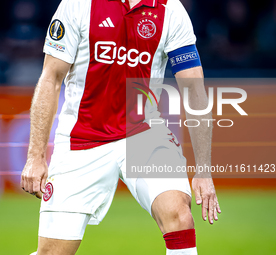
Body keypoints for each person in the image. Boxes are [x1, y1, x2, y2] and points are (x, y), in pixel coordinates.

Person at [21, 0, 221, 254]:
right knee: (53, 251)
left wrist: (203, 170)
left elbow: (194, 89)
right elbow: (51, 78)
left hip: (144, 134)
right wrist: (35, 156)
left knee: (179, 215)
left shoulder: (171, 10)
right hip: (82, 138)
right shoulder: (78, 4)